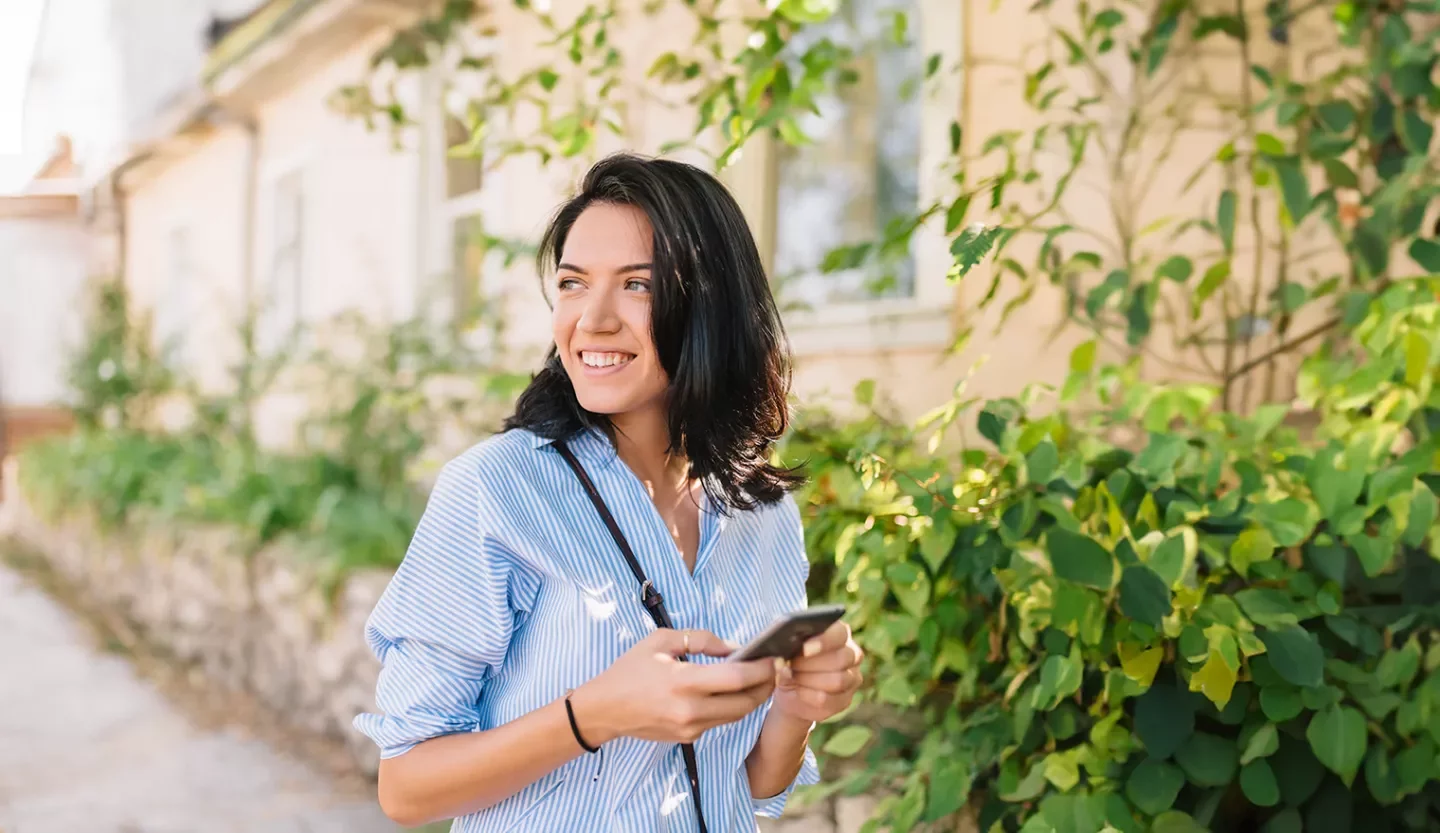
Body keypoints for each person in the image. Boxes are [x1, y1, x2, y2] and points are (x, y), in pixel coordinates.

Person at [354, 153, 864, 832]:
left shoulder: (763, 512)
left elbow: (743, 786)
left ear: (711, 306)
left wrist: (797, 708)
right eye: (572, 283)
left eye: (636, 285)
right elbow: (406, 788)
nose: (591, 319)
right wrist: (594, 715)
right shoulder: (495, 490)